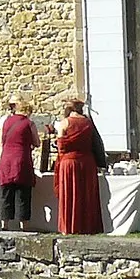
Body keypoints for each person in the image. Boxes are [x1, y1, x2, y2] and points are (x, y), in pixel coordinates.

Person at [53, 97, 104, 235]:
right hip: (87, 162)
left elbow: (61, 147)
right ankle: (87, 226)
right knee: (86, 195)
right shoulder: (88, 123)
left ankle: (69, 227)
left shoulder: (64, 123)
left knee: (70, 194)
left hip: (69, 163)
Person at [0, 97, 39, 232]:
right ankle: (23, 225)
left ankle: (4, 224)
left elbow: (0, 140)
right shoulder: (29, 123)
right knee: (23, 194)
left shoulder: (5, 121)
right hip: (21, 160)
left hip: (6, 160)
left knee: (6, 193)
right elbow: (36, 142)